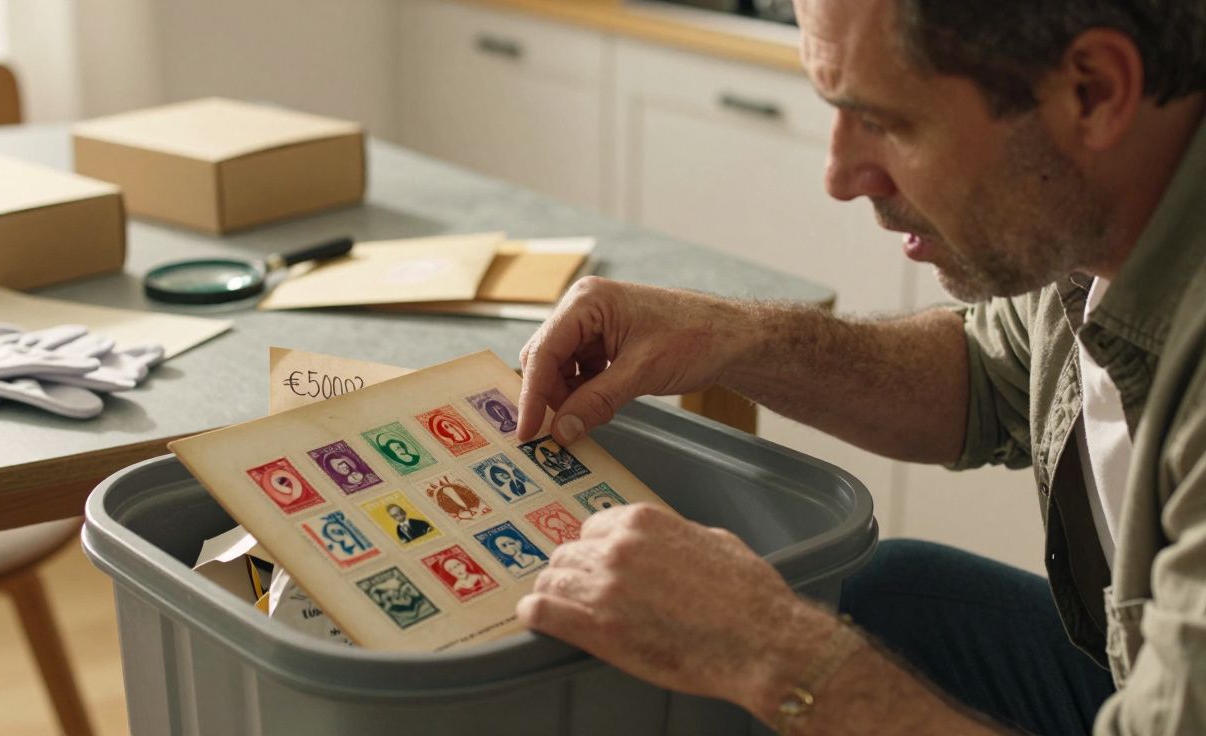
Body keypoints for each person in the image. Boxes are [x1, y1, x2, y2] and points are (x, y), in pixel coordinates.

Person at [513, 1, 1206, 734]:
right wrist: (726, 336)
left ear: (1092, 92)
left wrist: (770, 650)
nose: (842, 177)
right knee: (886, 593)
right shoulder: (1100, 217)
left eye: (887, 122)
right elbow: (984, 376)